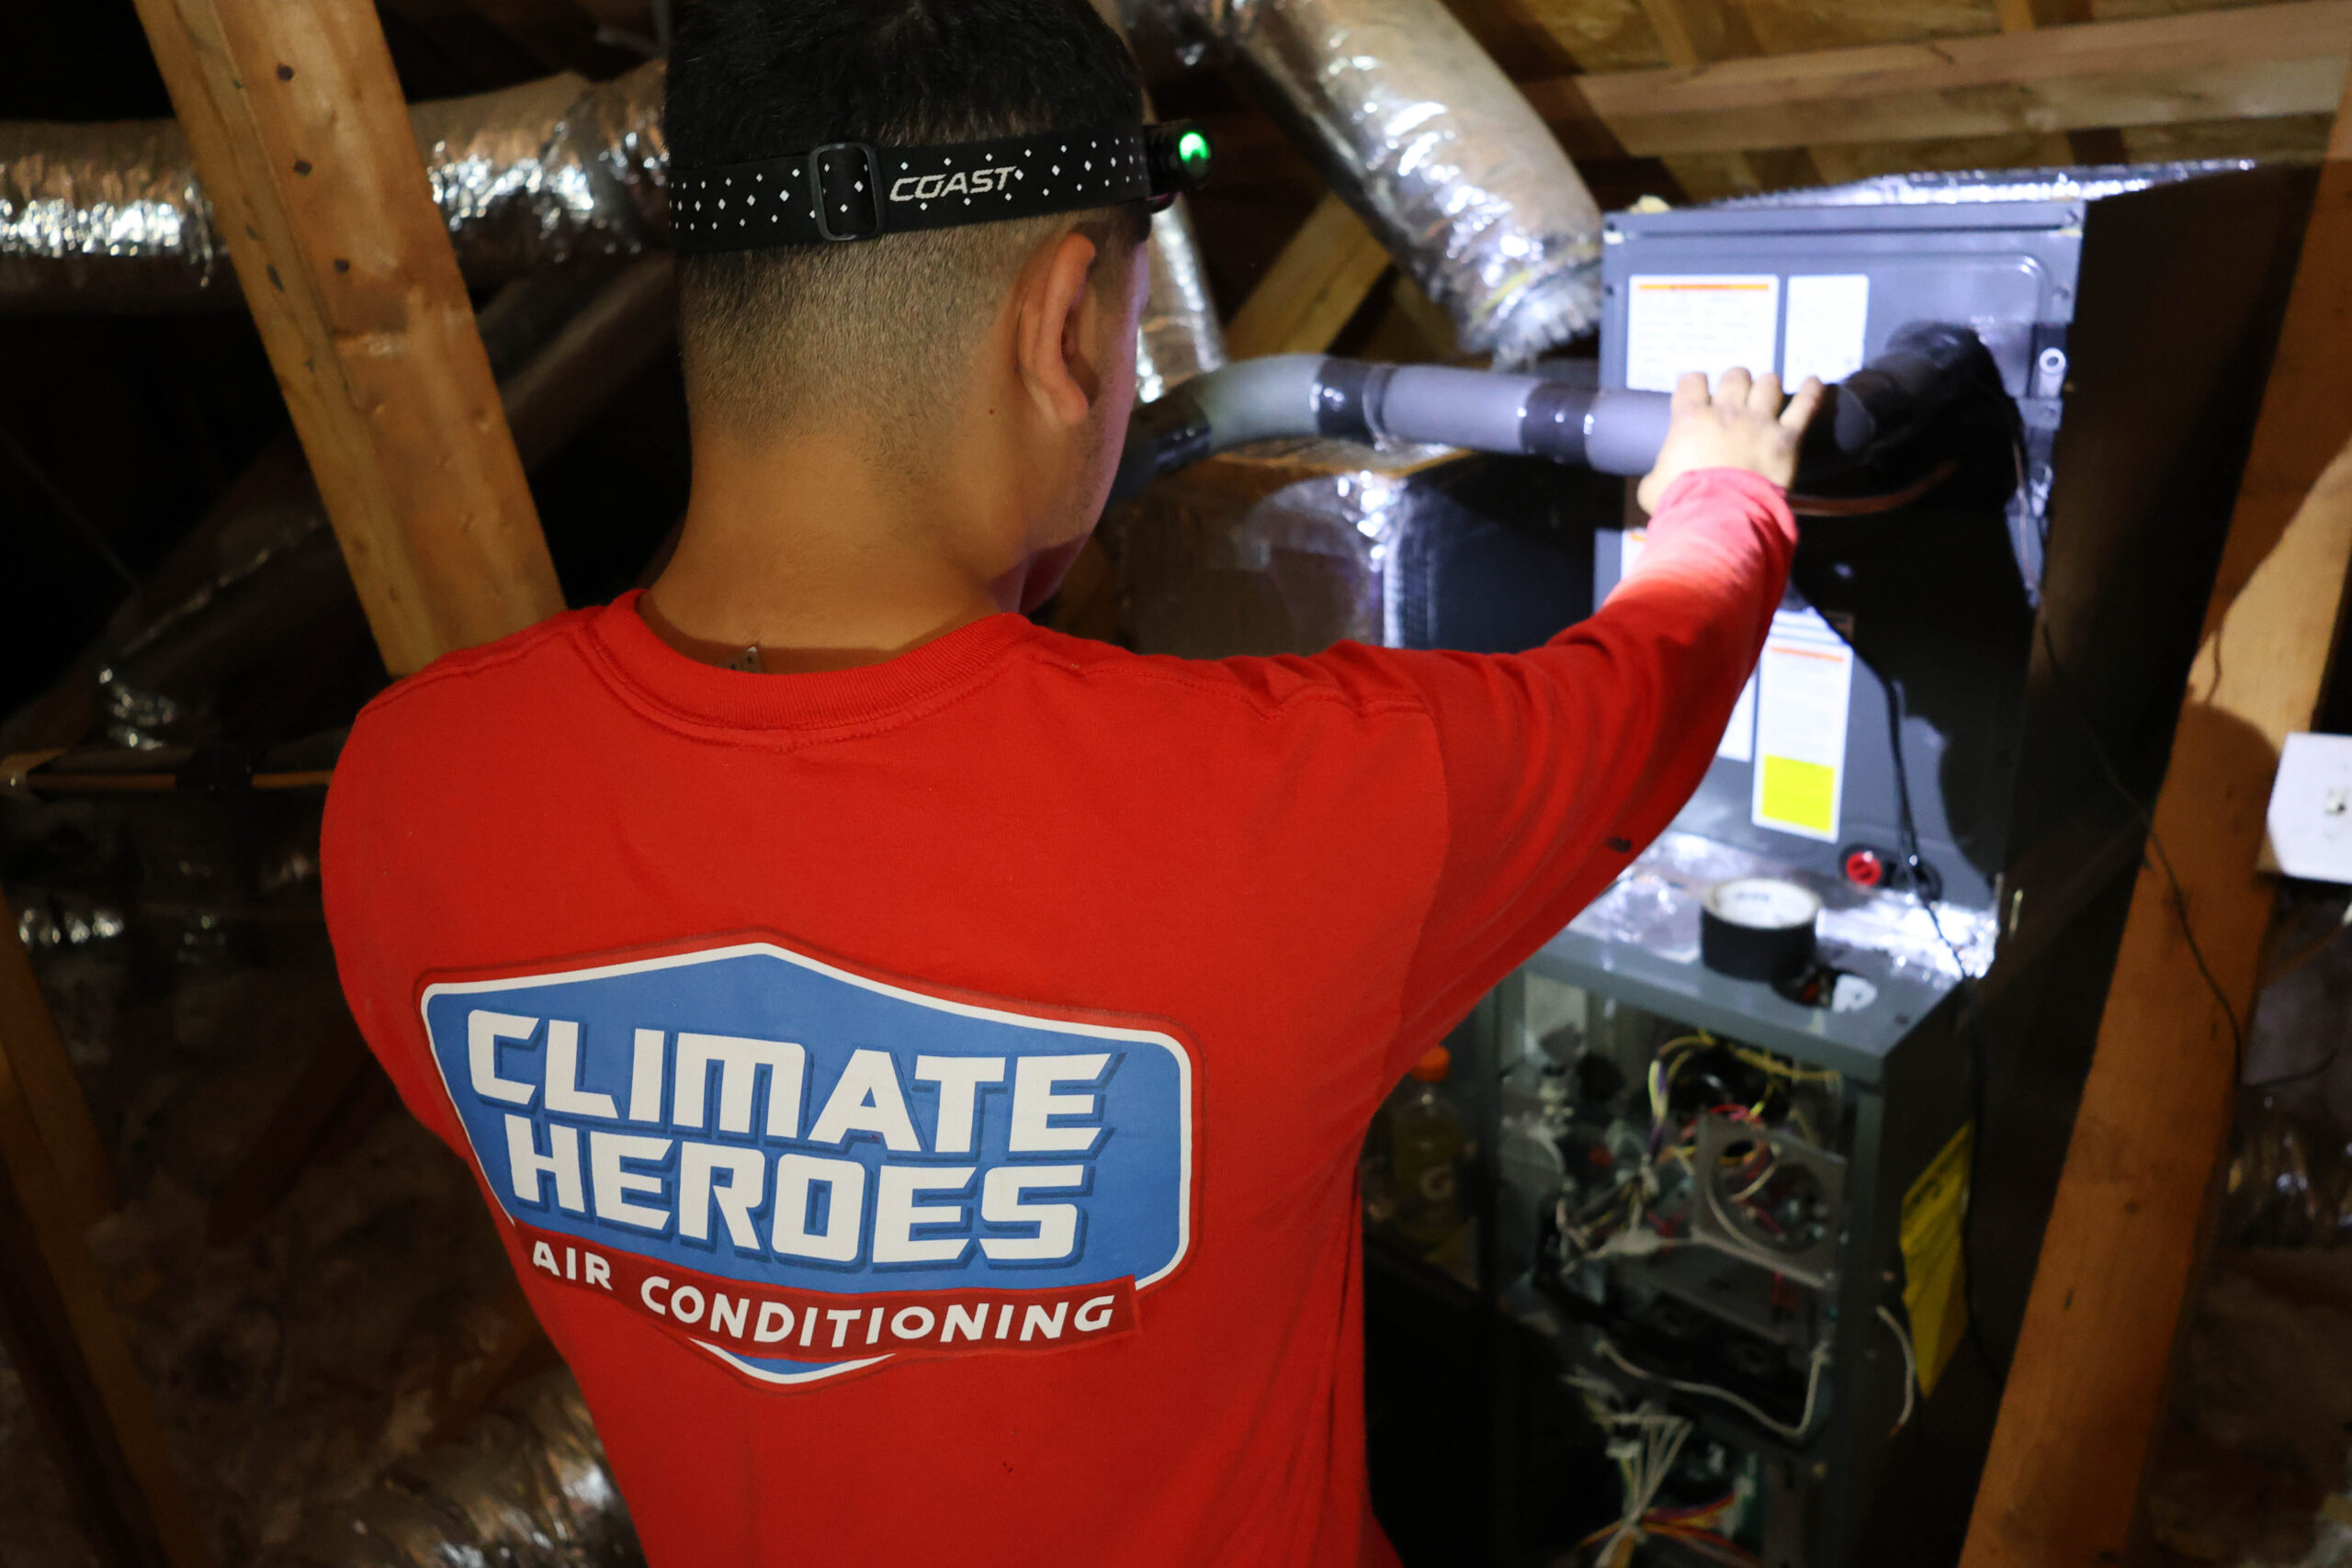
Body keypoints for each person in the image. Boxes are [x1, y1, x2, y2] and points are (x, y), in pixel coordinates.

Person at [320, 0, 1823, 1562]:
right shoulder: (1313, 806)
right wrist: (1724, 495)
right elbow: (1651, 682)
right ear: (1063, 327)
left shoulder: (406, 794)